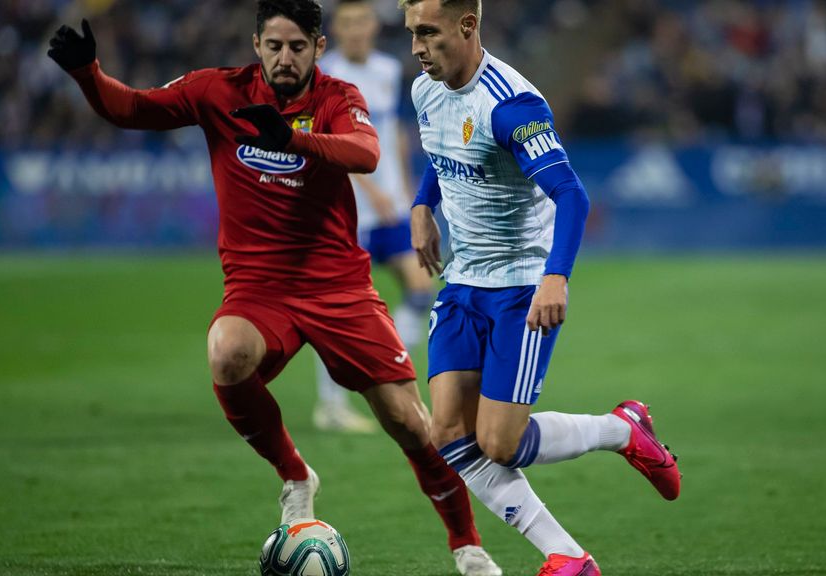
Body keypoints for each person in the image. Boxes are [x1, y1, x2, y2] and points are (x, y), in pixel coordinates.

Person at [46, 2, 500, 574]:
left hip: (338, 284)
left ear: (318, 48)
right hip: (258, 287)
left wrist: (291, 139)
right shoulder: (216, 90)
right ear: (256, 43)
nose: (286, 58)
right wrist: (89, 73)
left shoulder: (338, 98)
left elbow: (366, 153)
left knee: (412, 425)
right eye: (275, 46)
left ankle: (467, 545)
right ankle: (295, 475)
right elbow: (132, 108)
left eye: (298, 47)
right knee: (226, 352)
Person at [399, 0, 682, 574]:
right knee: (449, 433)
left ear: (468, 25)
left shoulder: (512, 105)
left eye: (427, 32)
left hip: (520, 286)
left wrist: (556, 277)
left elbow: (573, 195)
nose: (416, 47)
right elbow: (440, 144)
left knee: (499, 442)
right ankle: (567, 556)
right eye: (411, 34)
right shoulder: (424, 89)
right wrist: (422, 204)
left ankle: (620, 430)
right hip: (462, 281)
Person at [311, 0, 435, 434]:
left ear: (373, 27)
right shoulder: (323, 73)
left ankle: (382, 368)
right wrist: (370, 188)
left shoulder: (388, 69)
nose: (357, 29)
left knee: (421, 287)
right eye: (348, 23)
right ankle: (331, 405)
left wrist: (402, 187)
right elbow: (325, 142)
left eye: (362, 21)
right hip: (349, 209)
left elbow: (395, 131)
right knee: (338, 309)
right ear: (337, 30)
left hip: (392, 206)